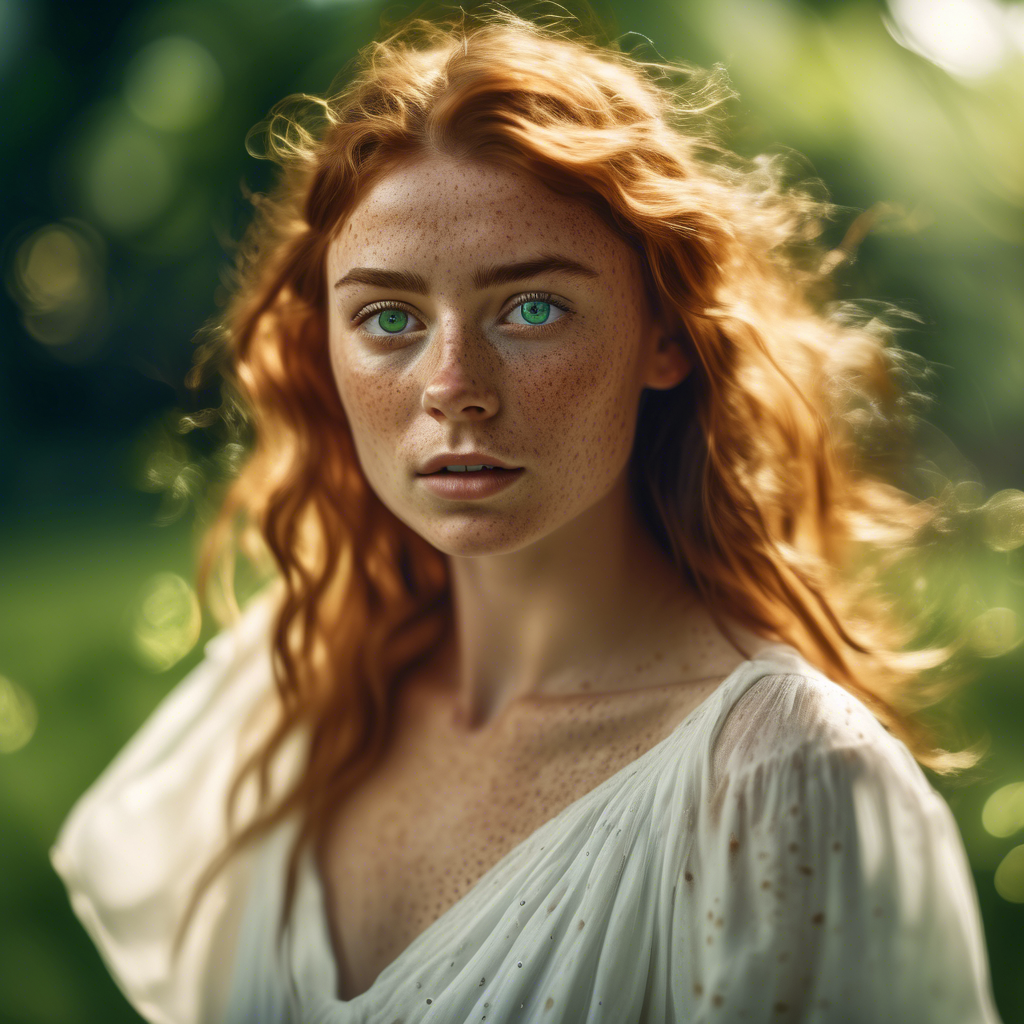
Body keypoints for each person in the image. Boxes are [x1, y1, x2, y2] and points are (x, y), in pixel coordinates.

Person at [50, 8, 1005, 1023]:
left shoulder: (782, 781)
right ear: (320, 351)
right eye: (389, 319)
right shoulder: (294, 699)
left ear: (665, 339)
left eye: (531, 308)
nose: (452, 385)